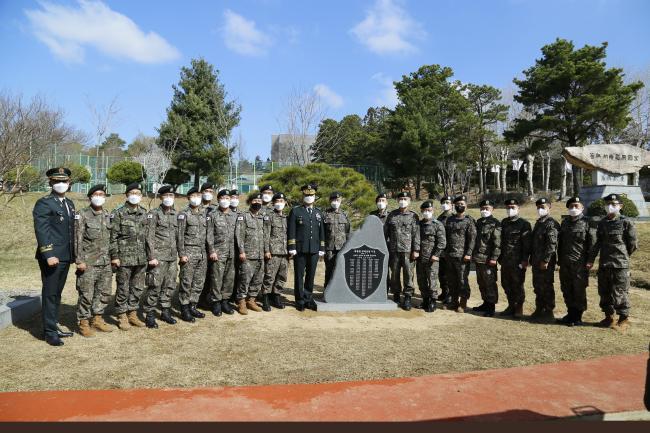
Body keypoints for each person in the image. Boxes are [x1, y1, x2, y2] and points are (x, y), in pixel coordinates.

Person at [33, 167, 76, 346]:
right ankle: (49, 332)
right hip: (52, 257)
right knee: (50, 293)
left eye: (64, 181)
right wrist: (49, 254)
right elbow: (42, 230)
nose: (60, 184)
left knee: (57, 293)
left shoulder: (69, 204)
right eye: (56, 181)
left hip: (66, 256)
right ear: (50, 183)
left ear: (69, 183)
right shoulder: (44, 203)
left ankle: (53, 325)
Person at [587, 193, 638, 330]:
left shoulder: (626, 222)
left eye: (614, 205)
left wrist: (622, 256)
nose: (610, 207)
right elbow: (598, 243)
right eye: (608, 204)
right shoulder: (603, 223)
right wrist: (591, 260)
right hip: (604, 263)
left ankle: (624, 318)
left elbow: (632, 244)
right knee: (604, 291)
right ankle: (609, 317)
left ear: (620, 206)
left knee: (620, 292)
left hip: (620, 265)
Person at [73, 184, 114, 336]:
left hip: (105, 262)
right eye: (96, 194)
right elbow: (77, 239)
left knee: (103, 293)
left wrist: (114, 257)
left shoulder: (108, 214)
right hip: (88, 262)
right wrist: (79, 260)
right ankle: (83, 323)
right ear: (90, 197)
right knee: (86, 294)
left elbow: (112, 239)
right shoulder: (82, 214)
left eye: (102, 194)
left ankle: (97, 319)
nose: (99, 197)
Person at [110, 182, 148, 330]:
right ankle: (121, 315)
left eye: (138, 193)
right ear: (127, 195)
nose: (135, 196)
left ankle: (132, 313)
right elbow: (113, 237)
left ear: (141, 196)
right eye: (132, 193)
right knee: (123, 288)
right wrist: (115, 256)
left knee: (137, 287)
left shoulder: (144, 212)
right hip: (124, 258)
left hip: (141, 258)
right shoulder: (118, 212)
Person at [141, 185, 179, 328]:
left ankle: (165, 310)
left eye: (171, 195)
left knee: (169, 285)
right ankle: (150, 314)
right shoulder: (154, 214)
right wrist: (151, 256)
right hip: (158, 257)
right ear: (161, 198)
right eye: (166, 196)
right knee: (154, 286)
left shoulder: (175, 214)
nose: (169, 198)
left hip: (171, 257)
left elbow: (178, 237)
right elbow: (149, 236)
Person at [287, 184, 326, 312]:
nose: (309, 197)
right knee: (299, 275)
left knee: (311, 275)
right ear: (302, 196)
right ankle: (299, 300)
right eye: (307, 195)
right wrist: (291, 246)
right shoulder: (296, 211)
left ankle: (308, 298)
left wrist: (321, 247)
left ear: (315, 196)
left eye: (311, 195)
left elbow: (321, 232)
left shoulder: (318, 212)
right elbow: (291, 229)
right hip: (300, 249)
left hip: (314, 249)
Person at [556, 196, 593, 326]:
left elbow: (592, 244)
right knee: (566, 288)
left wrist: (590, 260)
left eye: (576, 206)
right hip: (565, 262)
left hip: (579, 263)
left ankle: (577, 316)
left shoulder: (588, 222)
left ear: (582, 207)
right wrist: (559, 260)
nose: (573, 208)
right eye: (571, 206)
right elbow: (560, 243)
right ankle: (570, 313)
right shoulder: (565, 222)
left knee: (578, 289)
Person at [177, 187, 210, 322]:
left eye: (198, 195)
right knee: (186, 281)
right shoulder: (183, 214)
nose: (196, 197)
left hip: (202, 254)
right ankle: (184, 308)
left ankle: (193, 306)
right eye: (193, 195)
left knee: (198, 282)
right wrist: (182, 254)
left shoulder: (203, 214)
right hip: (189, 253)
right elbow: (179, 236)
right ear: (188, 198)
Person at [385, 191, 420, 311]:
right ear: (397, 201)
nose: (402, 201)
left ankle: (408, 297)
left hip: (408, 251)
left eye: (405, 199)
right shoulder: (392, 215)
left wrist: (416, 250)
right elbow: (386, 233)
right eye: (400, 199)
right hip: (393, 250)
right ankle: (396, 295)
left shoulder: (413, 216)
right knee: (394, 275)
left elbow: (416, 234)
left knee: (408, 275)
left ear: (409, 201)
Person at [498, 198, 532, 319]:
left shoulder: (524, 224)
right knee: (505, 284)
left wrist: (524, 260)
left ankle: (519, 307)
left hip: (518, 261)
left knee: (517, 284)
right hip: (505, 260)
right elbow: (500, 241)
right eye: (508, 208)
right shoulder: (504, 222)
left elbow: (527, 244)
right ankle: (511, 305)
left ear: (518, 209)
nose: (510, 209)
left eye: (513, 207)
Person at [206, 189, 237, 317]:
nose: (225, 200)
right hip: (218, 252)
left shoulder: (235, 216)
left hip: (232, 253)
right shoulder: (213, 215)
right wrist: (212, 251)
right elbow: (209, 235)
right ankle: (216, 302)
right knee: (216, 279)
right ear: (218, 200)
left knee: (229, 278)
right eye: (223, 198)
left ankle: (225, 301)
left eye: (228, 198)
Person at [443, 195, 476, 313]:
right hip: (450, 255)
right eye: (457, 204)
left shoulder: (469, 221)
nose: (460, 206)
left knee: (462, 280)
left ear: (466, 206)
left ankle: (463, 302)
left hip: (462, 257)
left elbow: (472, 239)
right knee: (451, 280)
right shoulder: (450, 220)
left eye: (462, 204)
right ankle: (454, 301)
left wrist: (468, 253)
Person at [234, 193, 266, 314]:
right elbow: (239, 235)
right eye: (255, 200)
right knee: (244, 279)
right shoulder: (243, 216)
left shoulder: (263, 217)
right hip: (247, 254)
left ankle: (251, 300)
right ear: (250, 202)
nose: (257, 202)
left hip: (260, 254)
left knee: (258, 279)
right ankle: (241, 302)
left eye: (259, 200)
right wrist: (241, 251)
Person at [530, 198, 560, 322]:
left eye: (543, 206)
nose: (540, 209)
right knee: (537, 285)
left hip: (545, 262)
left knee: (546, 286)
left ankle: (548, 311)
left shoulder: (551, 223)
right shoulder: (539, 223)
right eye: (538, 207)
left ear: (549, 207)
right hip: (536, 260)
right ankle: (539, 308)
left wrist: (546, 260)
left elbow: (551, 244)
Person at [471, 199, 501, 317]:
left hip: (488, 260)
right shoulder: (479, 222)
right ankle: (485, 303)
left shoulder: (495, 224)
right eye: (482, 208)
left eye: (487, 209)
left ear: (492, 209)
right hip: (478, 258)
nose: (484, 211)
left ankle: (491, 307)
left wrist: (494, 258)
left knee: (490, 283)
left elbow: (497, 243)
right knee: (481, 282)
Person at [416, 201, 446, 313]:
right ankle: (425, 299)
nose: (427, 212)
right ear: (421, 211)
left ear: (432, 211)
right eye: (424, 211)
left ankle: (433, 301)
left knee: (432, 280)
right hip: (420, 258)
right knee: (421, 280)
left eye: (429, 210)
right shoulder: (418, 224)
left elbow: (442, 242)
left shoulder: (438, 225)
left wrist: (436, 255)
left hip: (432, 259)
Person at [261, 192, 289, 311]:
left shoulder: (287, 218)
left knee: (282, 276)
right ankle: (265, 298)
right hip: (273, 252)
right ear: (273, 203)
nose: (279, 204)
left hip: (285, 252)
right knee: (269, 276)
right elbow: (266, 235)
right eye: (277, 201)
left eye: (281, 202)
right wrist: (267, 250)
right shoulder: (269, 216)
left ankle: (276, 296)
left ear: (285, 203)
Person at [323, 191, 351, 288]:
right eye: (333, 200)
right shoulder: (325, 214)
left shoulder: (345, 215)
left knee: (341, 270)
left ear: (341, 200)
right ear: (330, 201)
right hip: (329, 248)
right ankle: (327, 290)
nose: (335, 202)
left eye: (337, 200)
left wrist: (348, 247)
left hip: (342, 248)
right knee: (329, 270)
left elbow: (348, 231)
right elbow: (321, 232)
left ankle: (340, 290)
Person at [437, 194, 454, 304]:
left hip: (451, 251)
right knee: (441, 273)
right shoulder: (440, 217)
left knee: (450, 274)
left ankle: (450, 294)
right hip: (441, 252)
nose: (445, 205)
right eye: (443, 203)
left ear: (452, 205)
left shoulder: (454, 217)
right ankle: (444, 291)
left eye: (447, 203)